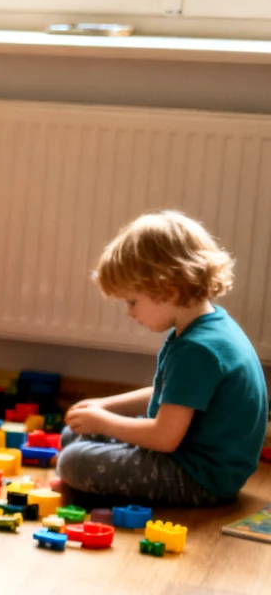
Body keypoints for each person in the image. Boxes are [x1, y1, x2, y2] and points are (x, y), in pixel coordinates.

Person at [56, 211, 268, 507]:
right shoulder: (208, 327)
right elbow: (172, 396)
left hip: (198, 476)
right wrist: (105, 406)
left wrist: (103, 422)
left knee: (73, 462)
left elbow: (164, 437)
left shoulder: (197, 349)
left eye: (132, 301)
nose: (130, 312)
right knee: (73, 434)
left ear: (167, 286)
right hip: (190, 455)